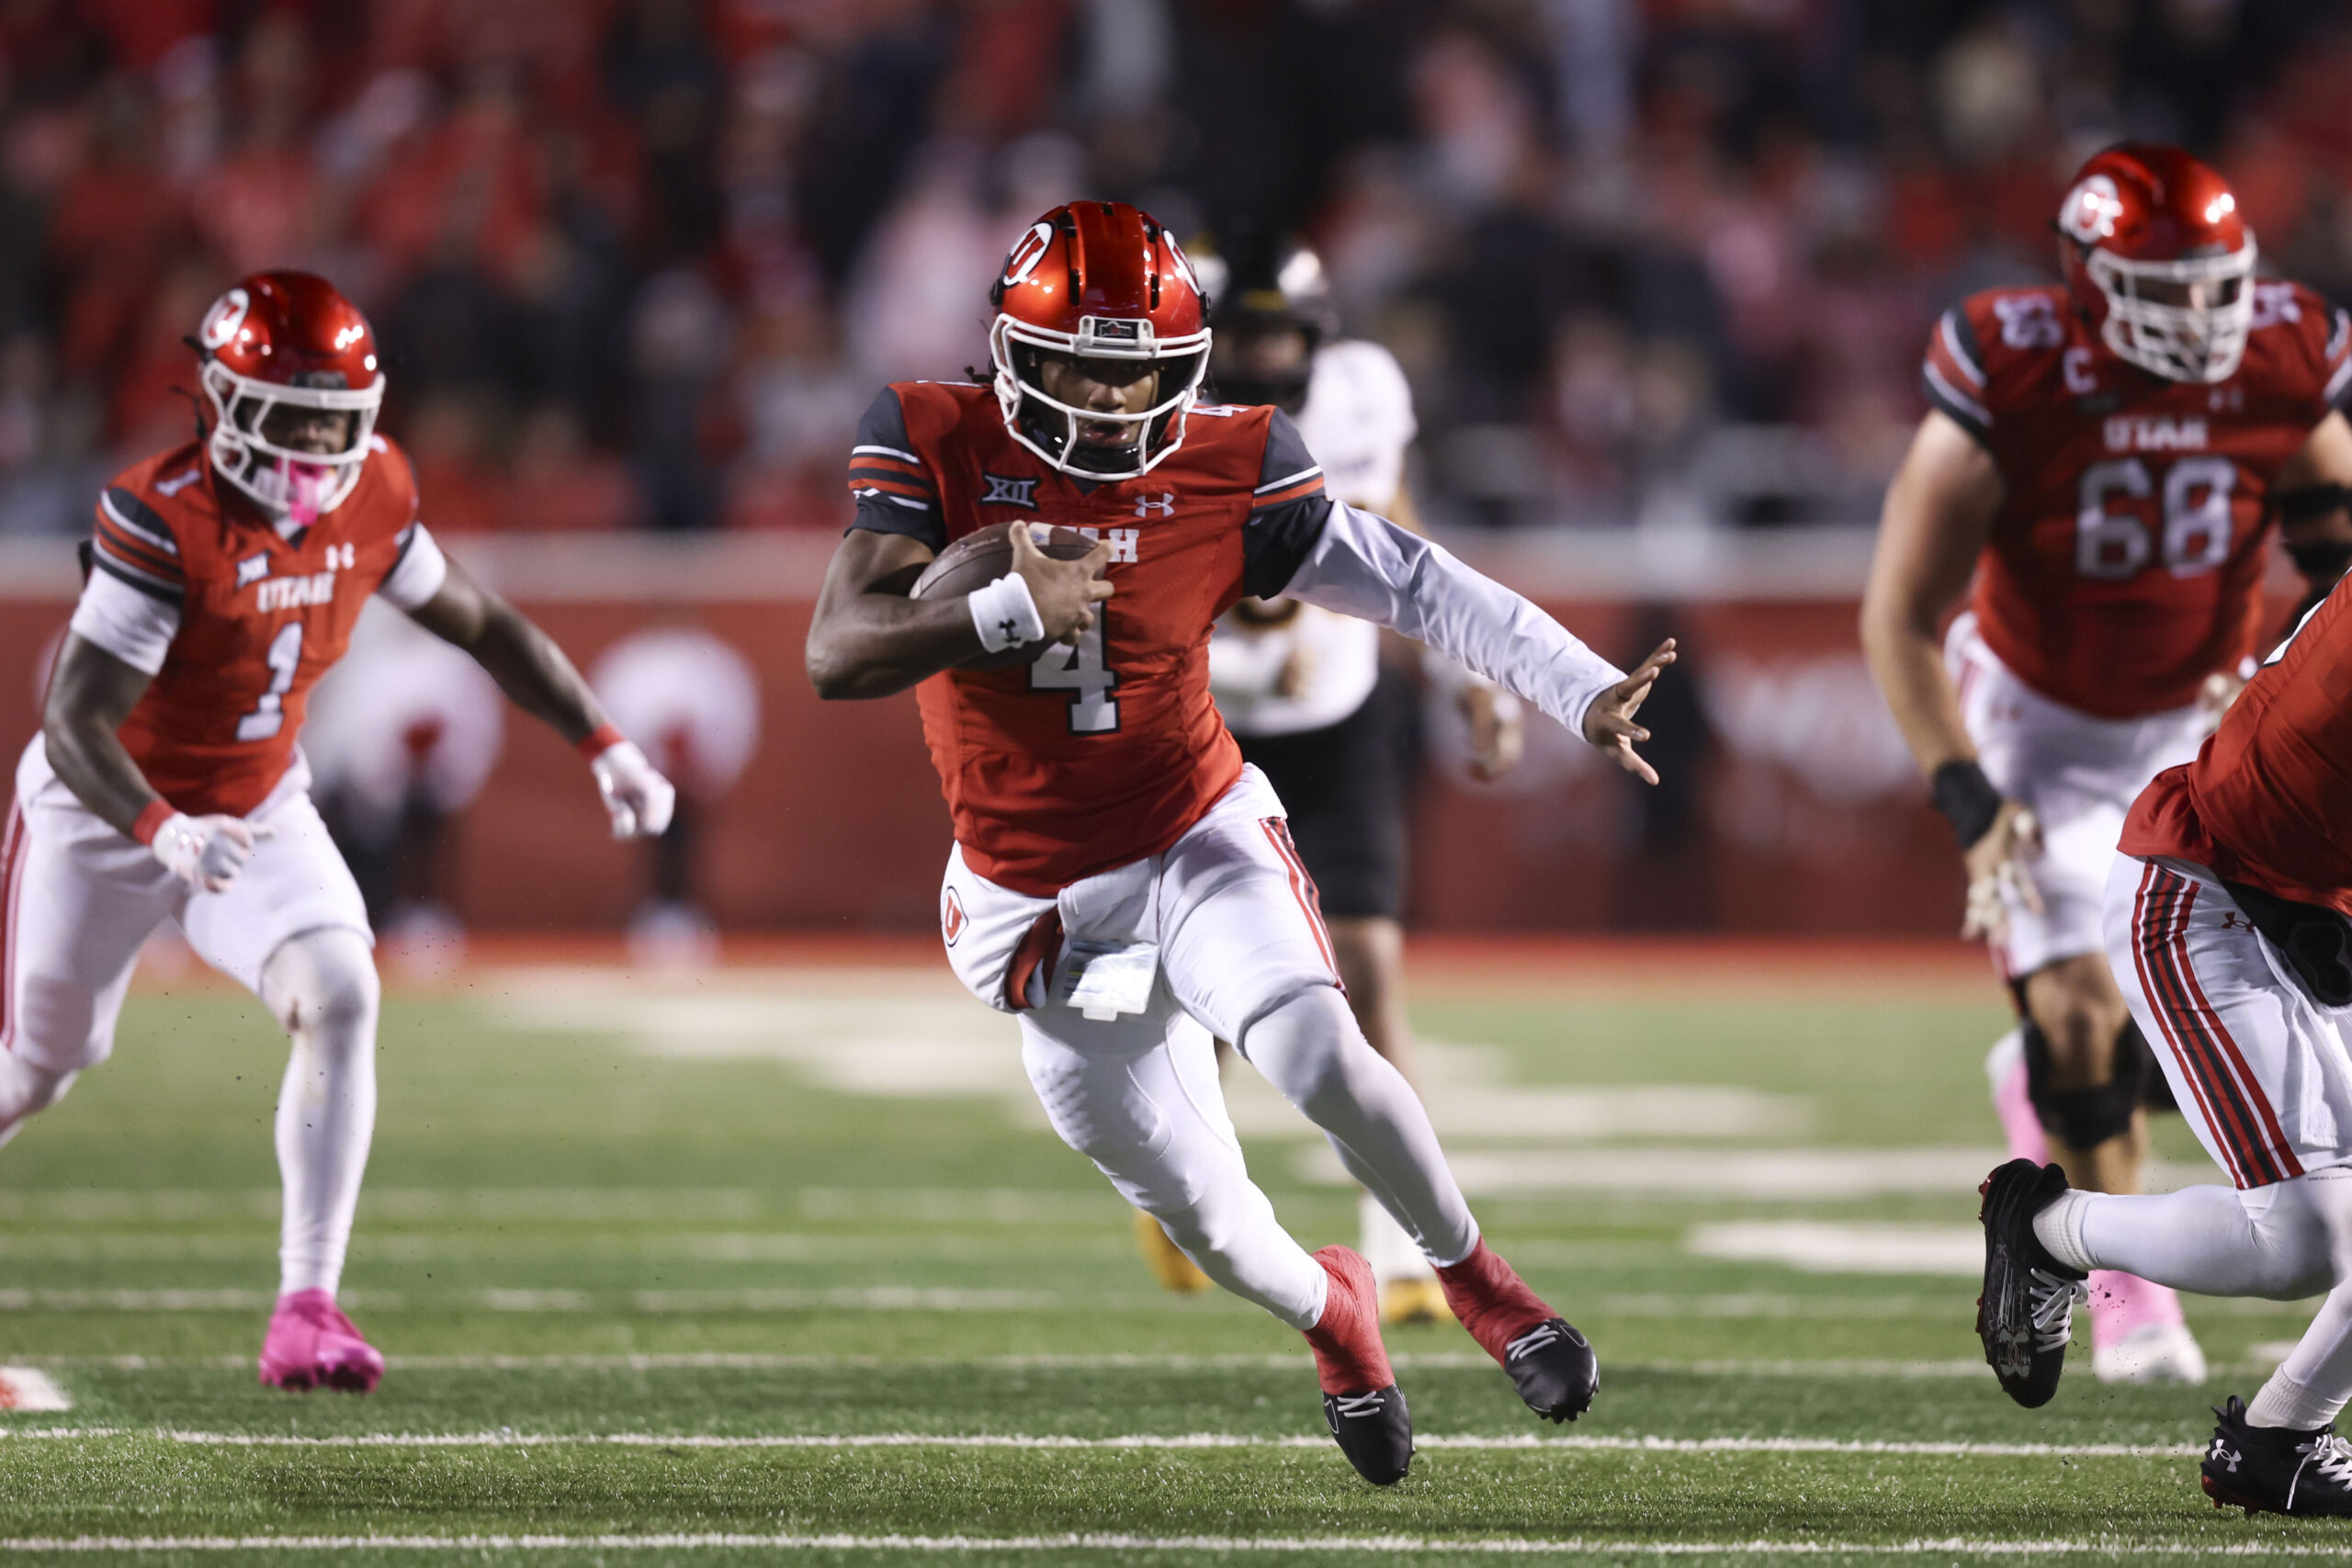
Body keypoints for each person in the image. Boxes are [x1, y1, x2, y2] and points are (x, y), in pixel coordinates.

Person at [805, 200, 1671, 1485]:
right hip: (1031, 904)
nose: (1106, 399)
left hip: (1190, 827)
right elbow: (835, 651)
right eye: (1082, 366)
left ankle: (1481, 1278)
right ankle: (1334, 1310)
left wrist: (1575, 682)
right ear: (1013, 356)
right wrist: (1000, 604)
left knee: (1320, 1045)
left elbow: (1413, 578)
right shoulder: (932, 433)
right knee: (1208, 1217)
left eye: (1133, 371)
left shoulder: (1233, 457)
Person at [0, 272, 675, 1393]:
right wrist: (160, 829)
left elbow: (483, 623)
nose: (315, 443)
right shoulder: (160, 514)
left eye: (333, 418)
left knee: (343, 992)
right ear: (222, 402)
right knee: (38, 1066)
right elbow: (73, 722)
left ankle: (305, 1307)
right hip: (103, 814)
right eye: (292, 414)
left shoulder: (373, 493)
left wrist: (603, 741)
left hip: (256, 803)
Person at [1862, 144, 2352, 1383]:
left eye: (2214, 285)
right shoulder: (2013, 367)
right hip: (2039, 722)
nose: (2200, 317)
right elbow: (1898, 612)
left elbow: (2338, 547)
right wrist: (1971, 798)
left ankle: (2068, 1144)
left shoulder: (2287, 354)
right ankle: (2124, 1285)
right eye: (2165, 290)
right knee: (2083, 1013)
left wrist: (2287, 670)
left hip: (2205, 714)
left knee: (2215, 1013)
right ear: (2090, 285)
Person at [1126, 235, 1523, 1324]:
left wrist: (1465, 676)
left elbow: (1393, 533)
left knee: (1368, 968)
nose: (1260, 354)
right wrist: (1242, 644)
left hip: (1337, 713)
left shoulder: (1360, 396)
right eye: (1242, 333)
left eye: (1279, 333)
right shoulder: (1159, 409)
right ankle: (1178, 1189)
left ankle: (1403, 1246)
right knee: (1211, 992)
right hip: (1203, 721)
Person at [1978, 569, 2352, 1517]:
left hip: (2306, 907)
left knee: (2309, 1243)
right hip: (2207, 896)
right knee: (2300, 1241)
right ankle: (2049, 1235)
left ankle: (2275, 1439)